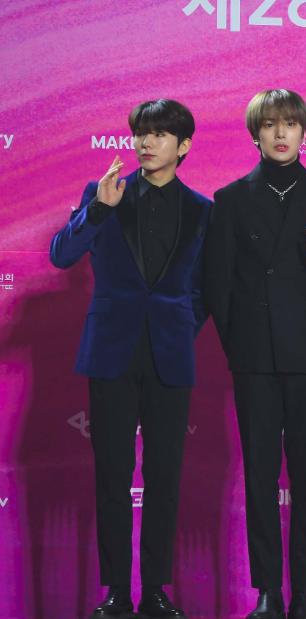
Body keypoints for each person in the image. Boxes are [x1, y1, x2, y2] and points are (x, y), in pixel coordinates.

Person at [49, 98, 209, 619]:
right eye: (140, 133)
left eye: (159, 134)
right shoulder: (104, 193)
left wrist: (180, 324)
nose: (145, 142)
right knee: (112, 477)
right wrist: (98, 209)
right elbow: (61, 254)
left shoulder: (203, 209)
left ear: (183, 145)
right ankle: (117, 590)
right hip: (111, 352)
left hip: (170, 355)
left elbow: (206, 287)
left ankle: (156, 590)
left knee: (165, 478)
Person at [203, 89, 306, 619]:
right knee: (261, 479)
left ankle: (305, 594)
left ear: (304, 131)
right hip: (256, 361)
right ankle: (267, 591)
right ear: (256, 135)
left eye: (289, 123)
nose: (281, 133)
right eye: (270, 125)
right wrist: (242, 348)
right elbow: (217, 288)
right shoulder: (230, 200)